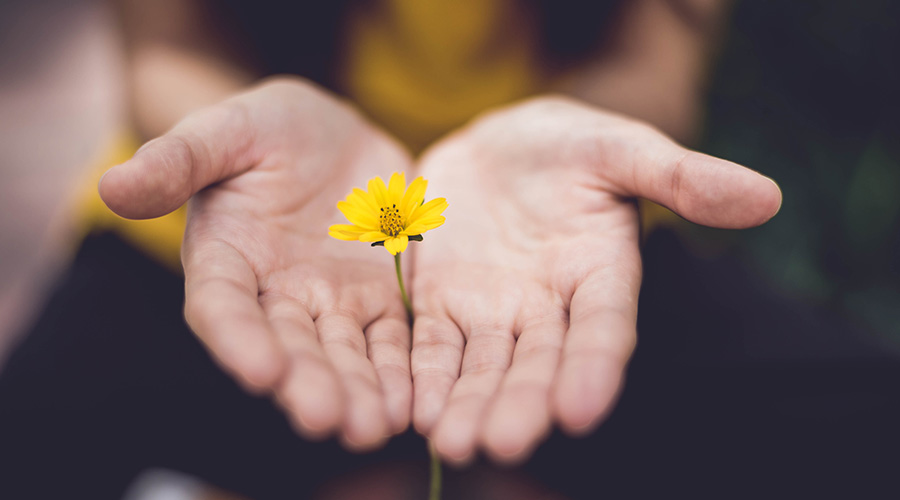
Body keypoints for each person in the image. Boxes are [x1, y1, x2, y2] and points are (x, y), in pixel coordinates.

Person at [0, 1, 809, 498]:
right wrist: (236, 130)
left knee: (852, 426)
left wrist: (575, 134)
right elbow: (166, 48)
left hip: (553, 240)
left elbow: (655, 65)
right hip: (250, 233)